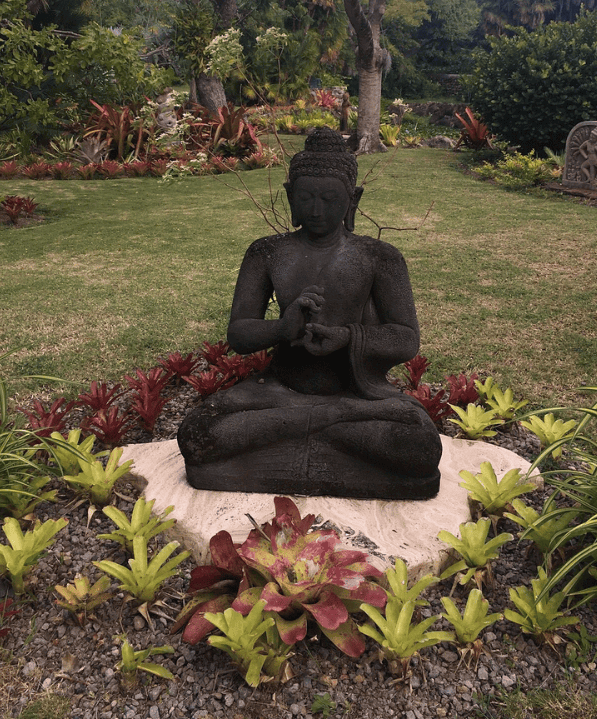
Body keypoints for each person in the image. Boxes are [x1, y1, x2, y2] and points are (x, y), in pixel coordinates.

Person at [177, 128, 442, 499]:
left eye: (330, 199)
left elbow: (406, 339)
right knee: (198, 434)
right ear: (290, 197)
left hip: (353, 395)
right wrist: (282, 328)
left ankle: (304, 426)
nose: (317, 210)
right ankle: (322, 426)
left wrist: (348, 337)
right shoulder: (266, 252)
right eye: (306, 197)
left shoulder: (380, 257)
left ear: (353, 199)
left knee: (420, 446)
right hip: (280, 391)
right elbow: (239, 334)